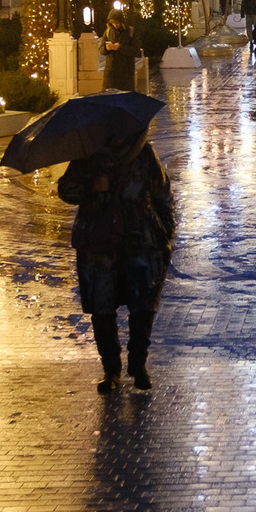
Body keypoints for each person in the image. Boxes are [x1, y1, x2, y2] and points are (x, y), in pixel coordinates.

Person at [56, 128, 175, 392]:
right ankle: (110, 370)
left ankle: (138, 365)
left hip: (139, 242)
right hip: (99, 248)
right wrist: (91, 187)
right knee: (102, 309)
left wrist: (166, 231)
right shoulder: (88, 156)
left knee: (142, 306)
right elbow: (65, 189)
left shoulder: (144, 153)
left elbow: (163, 193)